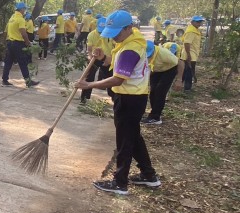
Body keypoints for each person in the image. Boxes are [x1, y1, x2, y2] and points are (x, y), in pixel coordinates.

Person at [75, 10, 161, 195]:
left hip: (129, 99)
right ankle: (149, 175)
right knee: (133, 137)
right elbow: (115, 63)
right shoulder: (132, 41)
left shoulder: (130, 49)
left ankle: (119, 183)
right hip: (134, 97)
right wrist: (102, 58)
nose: (114, 38)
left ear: (129, 28)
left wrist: (88, 84)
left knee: (125, 142)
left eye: (117, 33)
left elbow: (117, 79)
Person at [142, 40, 185, 125]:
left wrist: (179, 80)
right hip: (157, 70)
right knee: (153, 91)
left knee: (160, 91)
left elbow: (180, 63)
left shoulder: (164, 54)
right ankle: (153, 113)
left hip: (169, 69)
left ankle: (155, 117)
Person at [2, 2, 39, 87]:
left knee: (8, 62)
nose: (25, 11)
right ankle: (28, 82)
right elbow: (23, 32)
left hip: (10, 43)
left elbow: (5, 30)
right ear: (22, 9)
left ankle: (4, 80)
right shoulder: (20, 19)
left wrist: (5, 41)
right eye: (24, 9)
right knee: (23, 62)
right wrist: (28, 42)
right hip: (18, 44)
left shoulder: (11, 18)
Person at [80, 17, 114, 104]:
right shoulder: (91, 35)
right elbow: (89, 50)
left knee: (111, 79)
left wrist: (109, 60)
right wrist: (91, 58)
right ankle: (84, 98)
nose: (101, 32)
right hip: (94, 59)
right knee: (89, 78)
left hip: (107, 59)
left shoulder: (110, 34)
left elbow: (115, 47)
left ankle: (114, 98)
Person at [180, 15, 205, 91]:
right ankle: (187, 88)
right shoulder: (191, 31)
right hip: (190, 54)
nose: (199, 23)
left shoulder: (195, 30)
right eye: (197, 22)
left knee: (185, 71)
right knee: (189, 72)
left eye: (200, 22)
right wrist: (189, 55)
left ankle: (179, 86)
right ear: (192, 22)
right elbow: (187, 43)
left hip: (192, 54)